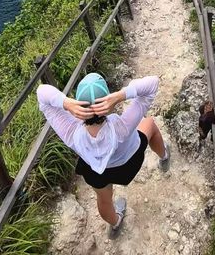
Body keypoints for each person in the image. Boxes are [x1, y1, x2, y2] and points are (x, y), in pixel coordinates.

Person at [37, 73, 170, 237]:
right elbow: (152, 84)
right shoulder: (122, 127)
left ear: (79, 105)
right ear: (107, 101)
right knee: (149, 123)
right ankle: (164, 156)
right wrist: (120, 95)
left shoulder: (71, 133)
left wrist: (66, 103)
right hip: (128, 166)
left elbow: (42, 92)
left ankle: (116, 223)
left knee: (104, 200)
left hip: (97, 173)